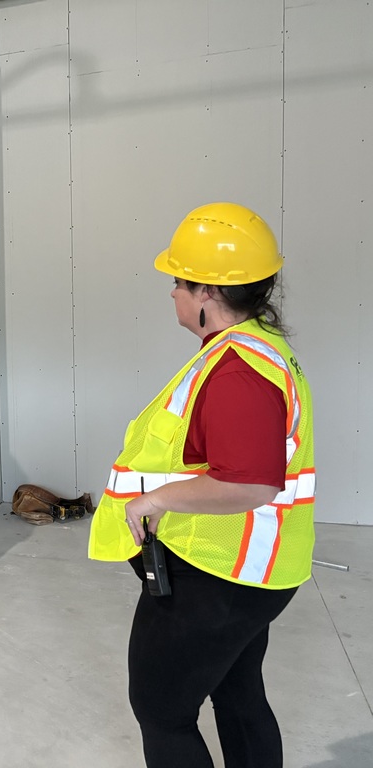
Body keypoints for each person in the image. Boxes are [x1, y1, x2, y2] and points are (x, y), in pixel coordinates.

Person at [88, 203, 316, 767]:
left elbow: (252, 483)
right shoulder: (252, 348)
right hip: (249, 570)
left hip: (217, 575)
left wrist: (155, 499)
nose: (172, 293)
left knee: (161, 711)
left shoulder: (240, 370)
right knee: (238, 694)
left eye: (178, 281)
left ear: (207, 292)